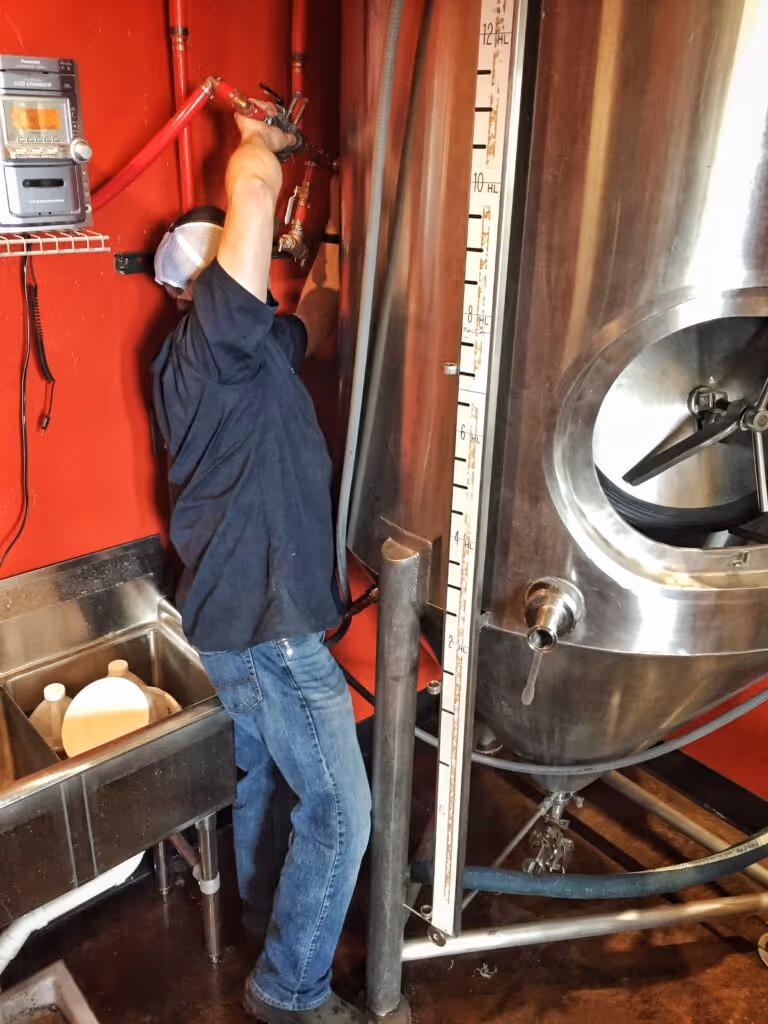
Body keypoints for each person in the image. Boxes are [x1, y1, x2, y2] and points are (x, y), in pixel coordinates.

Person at [152, 104, 371, 1024]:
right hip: (268, 628)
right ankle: (289, 989)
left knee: (265, 781)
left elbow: (309, 325)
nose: (254, 291)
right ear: (193, 294)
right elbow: (249, 186)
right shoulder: (207, 349)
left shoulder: (248, 354)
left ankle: (263, 924)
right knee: (342, 809)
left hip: (236, 615)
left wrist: (337, 251)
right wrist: (256, 137)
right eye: (229, 275)